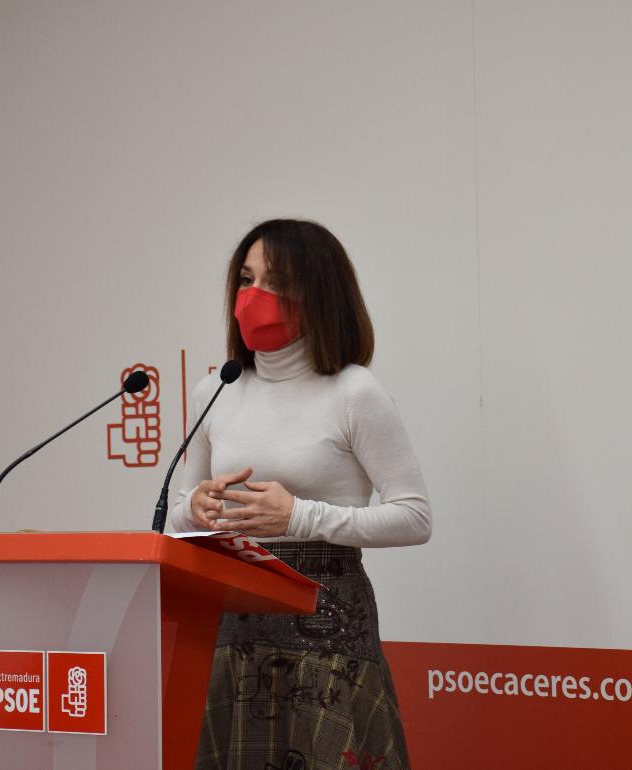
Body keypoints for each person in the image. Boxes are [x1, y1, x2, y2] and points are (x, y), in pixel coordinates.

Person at [169, 219, 431, 770]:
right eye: (246, 280)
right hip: (233, 620)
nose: (253, 296)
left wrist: (300, 516)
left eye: (277, 282)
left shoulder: (354, 391)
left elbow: (414, 517)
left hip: (327, 622)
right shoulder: (214, 390)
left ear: (319, 293)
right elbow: (175, 514)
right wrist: (196, 508)